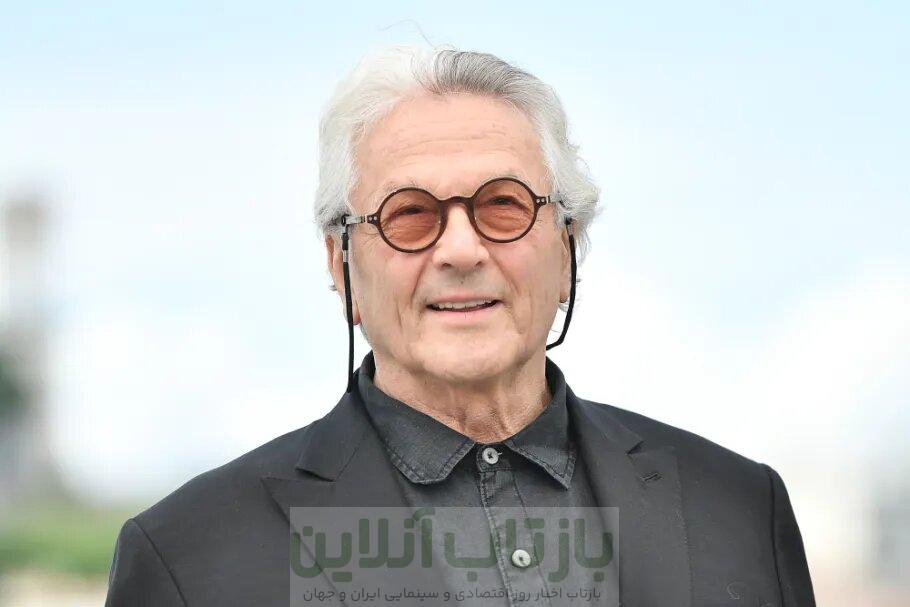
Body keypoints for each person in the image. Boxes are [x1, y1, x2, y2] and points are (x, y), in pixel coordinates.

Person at [105, 45, 816, 606]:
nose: (462, 250)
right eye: (409, 214)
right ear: (340, 263)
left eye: (504, 205)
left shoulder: (740, 509)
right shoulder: (189, 558)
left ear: (567, 248)